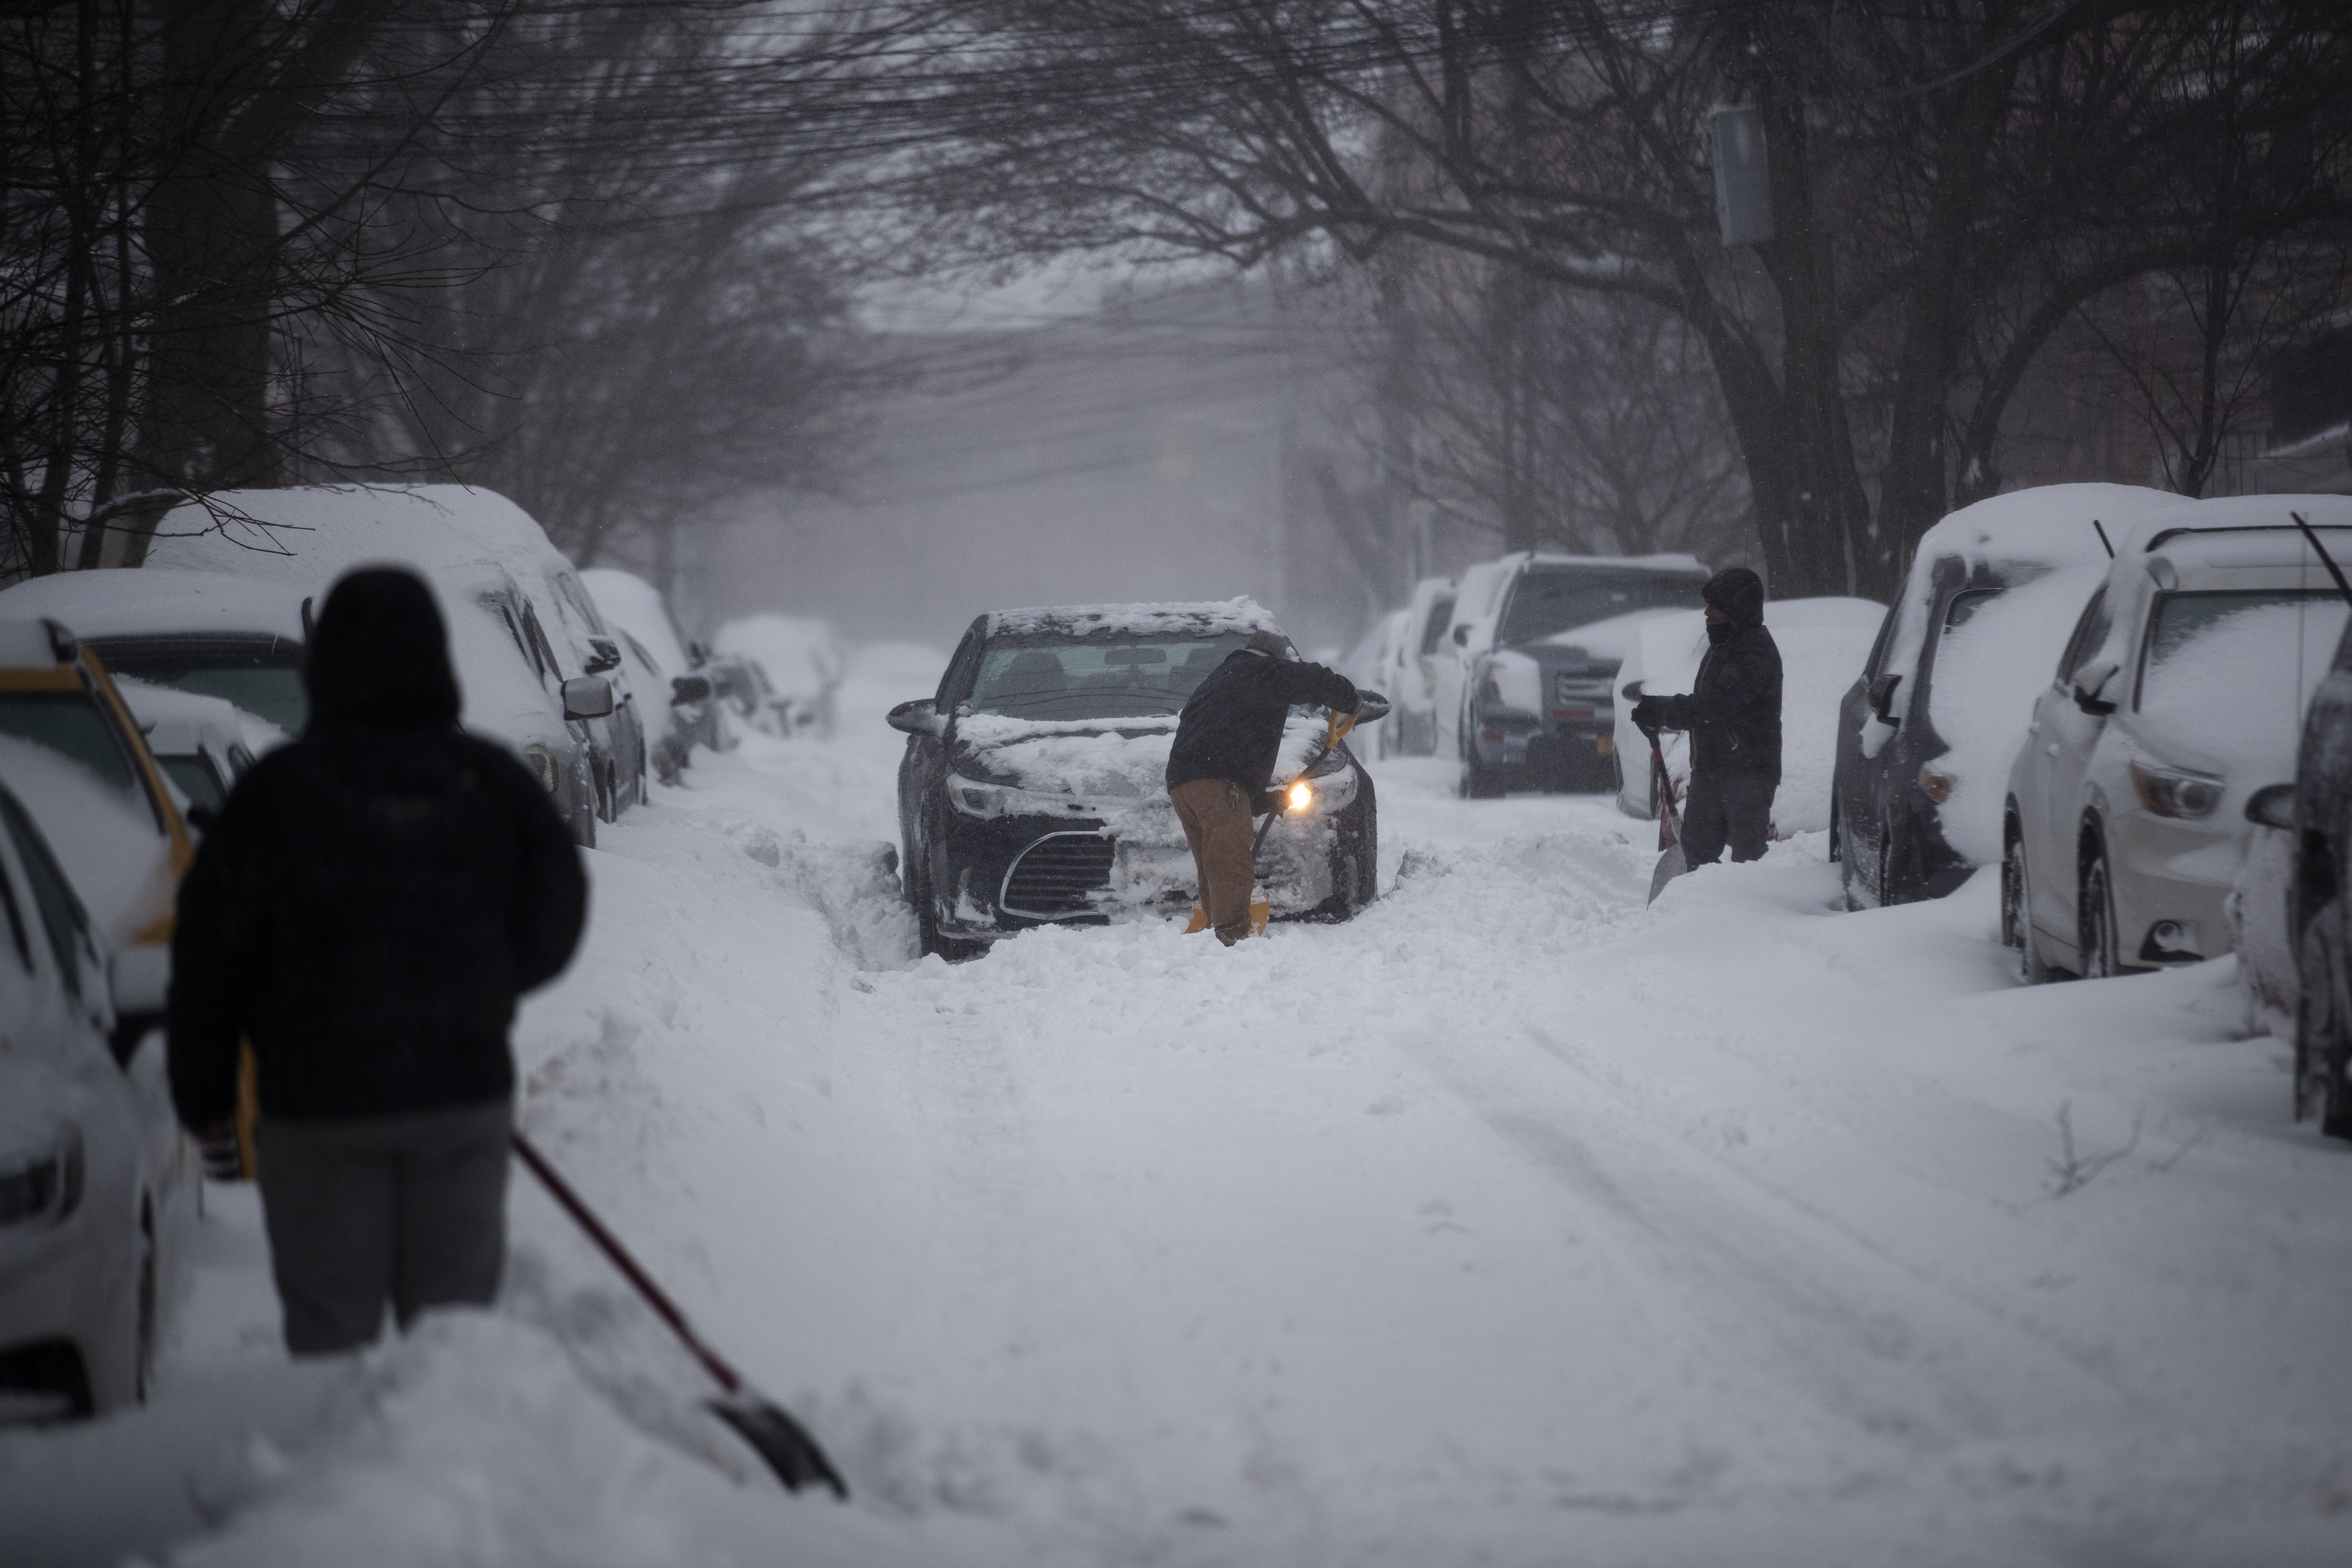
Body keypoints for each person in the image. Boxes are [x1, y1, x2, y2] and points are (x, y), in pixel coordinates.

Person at [169, 567, 587, 1355]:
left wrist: (204, 1088)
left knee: (332, 1343)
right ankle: (443, 1475)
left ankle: (342, 1469)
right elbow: (558, 901)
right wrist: (485, 985)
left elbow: (211, 947)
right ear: (438, 659)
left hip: (317, 1112)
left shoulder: (276, 794)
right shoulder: (487, 781)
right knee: (453, 1344)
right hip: (459, 1102)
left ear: (321, 665)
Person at [1164, 628, 1357, 945]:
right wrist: (1351, 698)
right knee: (1231, 864)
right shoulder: (1264, 671)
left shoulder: (1220, 678)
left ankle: (1211, 940)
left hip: (1182, 784)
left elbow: (1229, 782)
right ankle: (1231, 939)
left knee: (1213, 865)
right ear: (1276, 659)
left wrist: (1268, 801)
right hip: (1217, 780)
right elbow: (1315, 679)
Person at [1630, 567, 1782, 867]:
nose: (1707, 614)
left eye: (1715, 608)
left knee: (1748, 865)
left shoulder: (1755, 652)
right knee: (1695, 857)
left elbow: (1714, 706)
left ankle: (1749, 915)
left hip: (1748, 774)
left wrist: (1663, 710)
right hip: (1711, 771)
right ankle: (1695, 913)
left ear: (1737, 610)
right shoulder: (1722, 647)